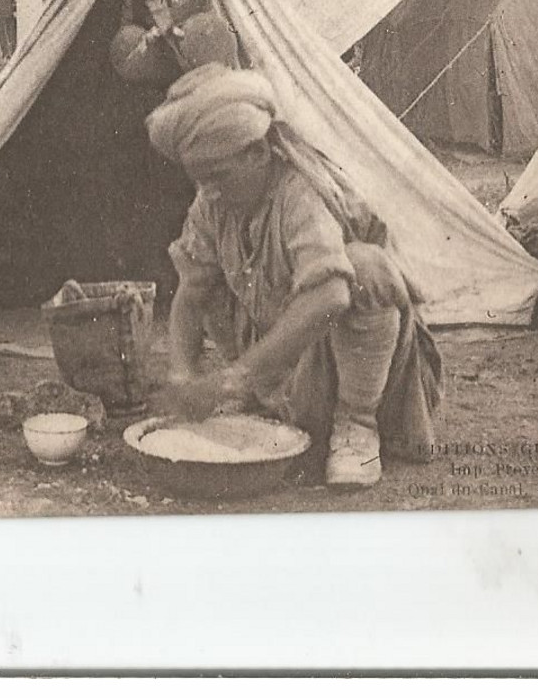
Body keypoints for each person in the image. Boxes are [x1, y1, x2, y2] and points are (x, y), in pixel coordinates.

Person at [145, 42, 442, 489]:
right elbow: (191, 293)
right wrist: (183, 375)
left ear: (258, 155)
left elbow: (330, 295)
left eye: (219, 177)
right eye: (199, 180)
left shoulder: (298, 195)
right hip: (282, 378)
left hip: (353, 373)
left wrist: (234, 379)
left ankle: (357, 429)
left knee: (362, 270)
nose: (210, 192)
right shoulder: (212, 203)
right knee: (201, 273)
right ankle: (272, 411)